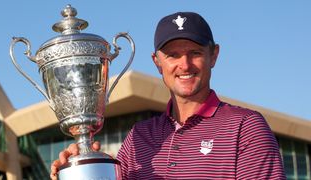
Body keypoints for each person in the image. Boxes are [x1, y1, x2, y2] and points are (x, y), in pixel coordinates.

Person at [51, 12, 286, 179]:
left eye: (195, 53)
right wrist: (82, 168)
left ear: (213, 55)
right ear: (157, 62)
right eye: (173, 55)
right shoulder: (138, 137)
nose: (185, 65)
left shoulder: (246, 127)